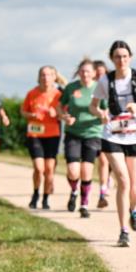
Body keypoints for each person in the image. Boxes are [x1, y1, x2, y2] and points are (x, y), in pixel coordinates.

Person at [89, 40, 136, 247]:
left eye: (124, 56)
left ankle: (134, 209)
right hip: (112, 135)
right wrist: (101, 113)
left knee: (135, 190)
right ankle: (123, 231)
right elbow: (92, 106)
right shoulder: (106, 80)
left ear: (130, 57)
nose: (121, 60)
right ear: (112, 59)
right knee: (123, 180)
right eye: (117, 57)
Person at [60, 58, 104, 218]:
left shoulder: (99, 89)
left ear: (94, 73)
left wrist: (103, 116)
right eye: (82, 71)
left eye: (88, 71)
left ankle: (84, 204)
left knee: (86, 171)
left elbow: (105, 110)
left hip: (92, 133)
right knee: (73, 171)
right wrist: (65, 117)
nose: (85, 74)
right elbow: (60, 107)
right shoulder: (71, 88)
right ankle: (73, 190)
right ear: (78, 72)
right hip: (73, 133)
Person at [21, 66, 62, 209]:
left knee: (49, 169)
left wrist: (56, 113)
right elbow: (23, 111)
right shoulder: (32, 93)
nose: (46, 78)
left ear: (54, 77)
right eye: (43, 75)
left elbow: (64, 113)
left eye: (49, 75)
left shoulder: (58, 95)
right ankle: (35, 193)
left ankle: (45, 199)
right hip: (35, 134)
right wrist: (31, 115)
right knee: (39, 168)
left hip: (52, 134)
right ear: (39, 77)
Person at [92, 60, 112, 209]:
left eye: (102, 73)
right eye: (97, 73)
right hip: (90, 131)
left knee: (104, 161)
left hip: (105, 129)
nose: (99, 76)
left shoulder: (109, 88)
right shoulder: (89, 89)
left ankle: (102, 193)